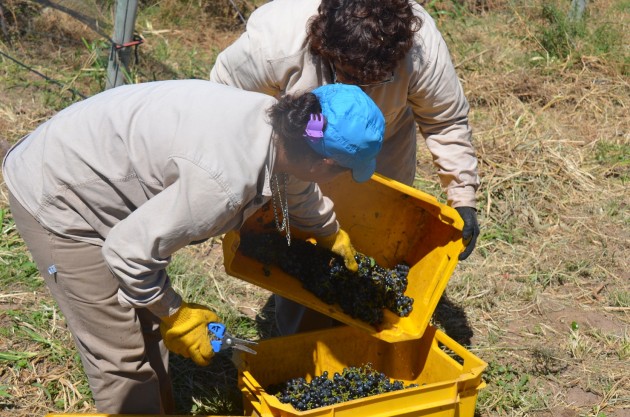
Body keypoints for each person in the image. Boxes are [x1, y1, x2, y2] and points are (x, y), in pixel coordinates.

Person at [2, 80, 385, 414]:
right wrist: (178, 314)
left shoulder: (285, 131)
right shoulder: (222, 183)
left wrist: (329, 231)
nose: (345, 177)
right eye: (346, 169)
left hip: (102, 172)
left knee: (147, 323)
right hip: (60, 196)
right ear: (325, 162)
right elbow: (126, 254)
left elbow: (298, 184)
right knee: (120, 354)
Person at [210, 0, 481, 334]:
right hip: (298, 140)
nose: (358, 90)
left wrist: (462, 195)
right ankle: (300, 339)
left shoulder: (420, 48)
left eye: (374, 80)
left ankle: (362, 333)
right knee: (301, 240)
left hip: (380, 149)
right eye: (350, 76)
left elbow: (445, 121)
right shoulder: (275, 42)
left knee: (374, 240)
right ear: (324, 46)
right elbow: (224, 101)